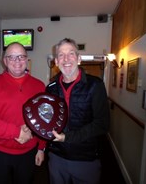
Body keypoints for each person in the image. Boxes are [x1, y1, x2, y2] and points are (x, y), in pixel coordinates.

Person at [0, 42, 46, 184]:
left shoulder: (39, 86)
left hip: (29, 153)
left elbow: (43, 119)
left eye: (21, 56)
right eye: (12, 57)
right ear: (5, 61)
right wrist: (17, 132)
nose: (17, 61)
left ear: (27, 60)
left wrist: (41, 148)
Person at [46, 38, 110, 184]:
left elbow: (102, 124)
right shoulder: (50, 88)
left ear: (79, 59)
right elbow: (47, 119)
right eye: (61, 55)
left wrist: (67, 137)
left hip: (85, 160)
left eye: (71, 54)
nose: (66, 59)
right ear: (56, 61)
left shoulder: (95, 85)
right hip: (57, 157)